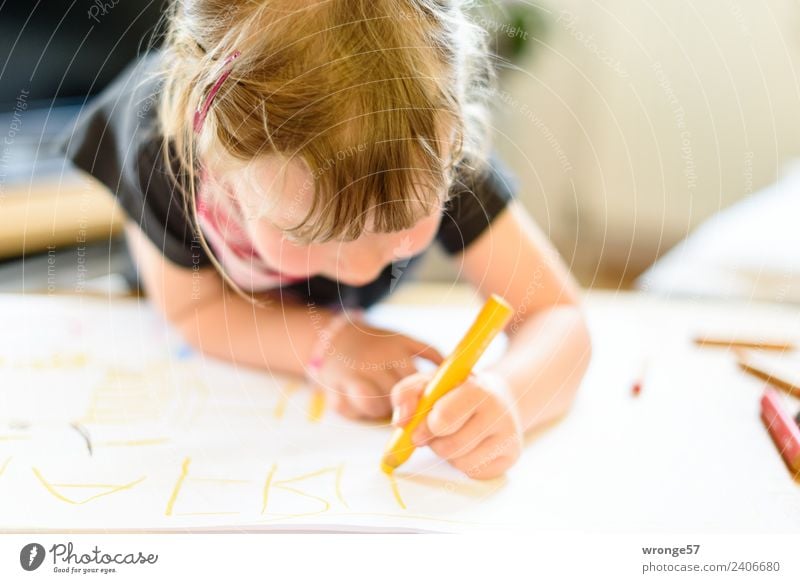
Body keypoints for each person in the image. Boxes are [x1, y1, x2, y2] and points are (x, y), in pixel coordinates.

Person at [60, 0, 591, 479]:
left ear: (452, 130)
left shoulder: (424, 143)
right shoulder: (165, 147)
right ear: (222, 167)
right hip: (190, 322)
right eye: (308, 232)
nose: (362, 269)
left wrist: (508, 395)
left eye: (402, 218)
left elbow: (557, 316)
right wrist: (325, 340)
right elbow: (194, 308)